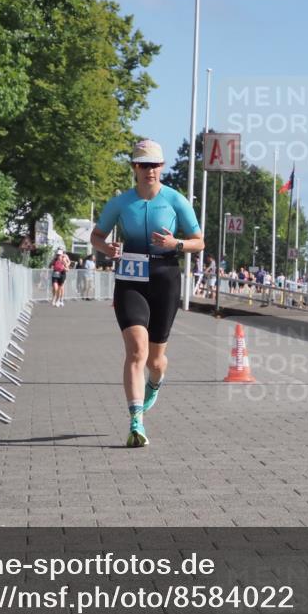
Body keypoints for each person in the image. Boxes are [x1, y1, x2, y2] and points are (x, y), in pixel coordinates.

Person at [90, 139, 203, 448]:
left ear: (162, 168)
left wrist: (176, 245)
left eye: (154, 165)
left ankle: (155, 381)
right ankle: (136, 421)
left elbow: (199, 241)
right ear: (134, 168)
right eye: (143, 165)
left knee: (156, 359)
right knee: (136, 350)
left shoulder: (175, 200)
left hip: (165, 277)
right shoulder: (120, 203)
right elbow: (96, 236)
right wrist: (106, 247)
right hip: (130, 277)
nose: (149, 170)